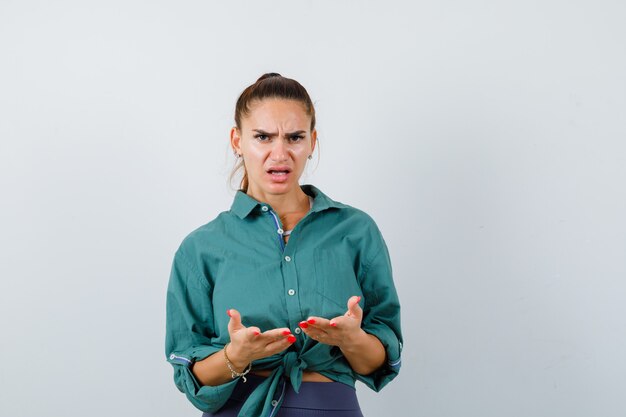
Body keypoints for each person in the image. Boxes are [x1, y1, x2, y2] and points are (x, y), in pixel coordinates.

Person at [165, 73, 403, 417]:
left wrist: (352, 339)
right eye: (263, 137)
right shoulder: (201, 248)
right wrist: (237, 355)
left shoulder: (356, 231)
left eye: (294, 137)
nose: (280, 153)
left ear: (312, 141)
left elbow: (381, 360)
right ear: (237, 140)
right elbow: (190, 376)